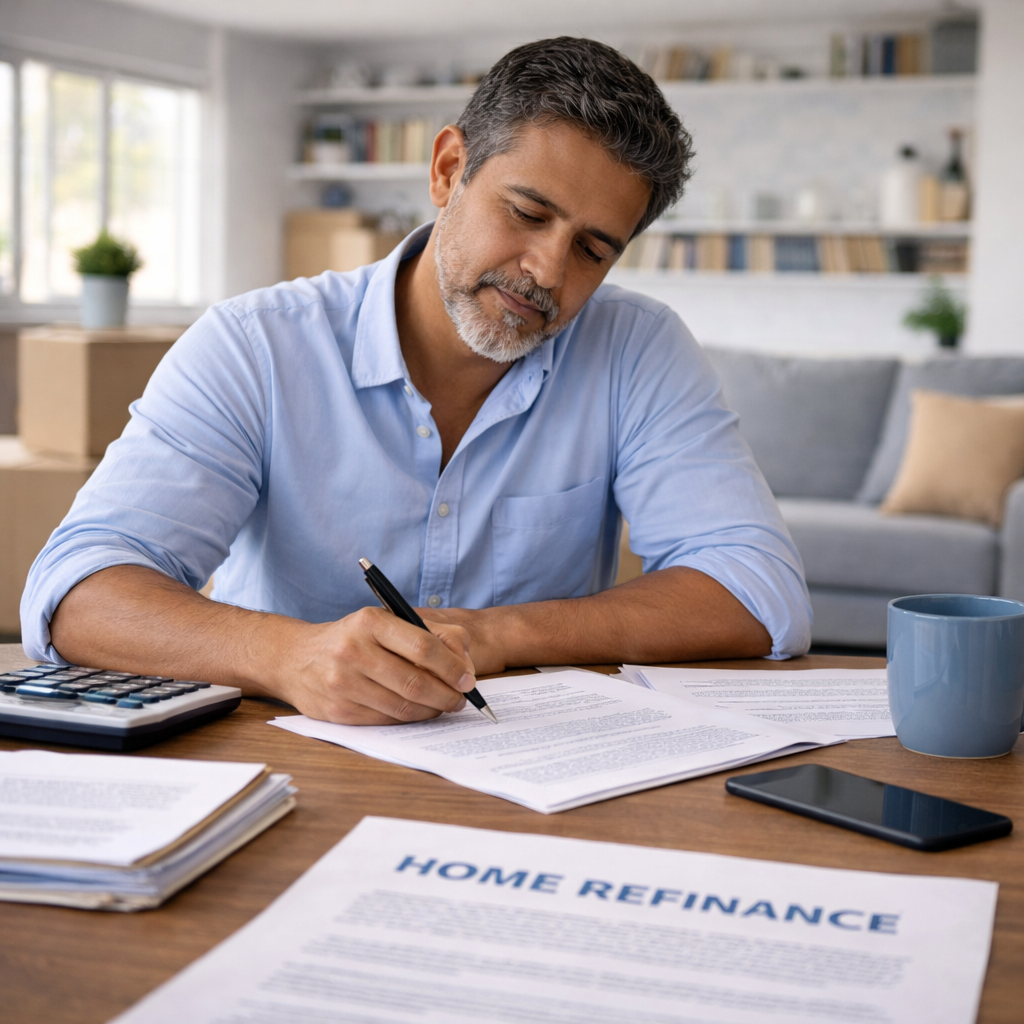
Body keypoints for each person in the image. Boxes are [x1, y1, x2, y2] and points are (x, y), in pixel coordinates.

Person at [22, 37, 811, 725]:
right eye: (529, 214)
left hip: (533, 770)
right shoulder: (254, 345)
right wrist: (286, 656)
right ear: (447, 170)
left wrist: (499, 633)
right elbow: (77, 591)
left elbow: (757, 590)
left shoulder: (639, 350)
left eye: (592, 251)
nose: (547, 270)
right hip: (281, 760)